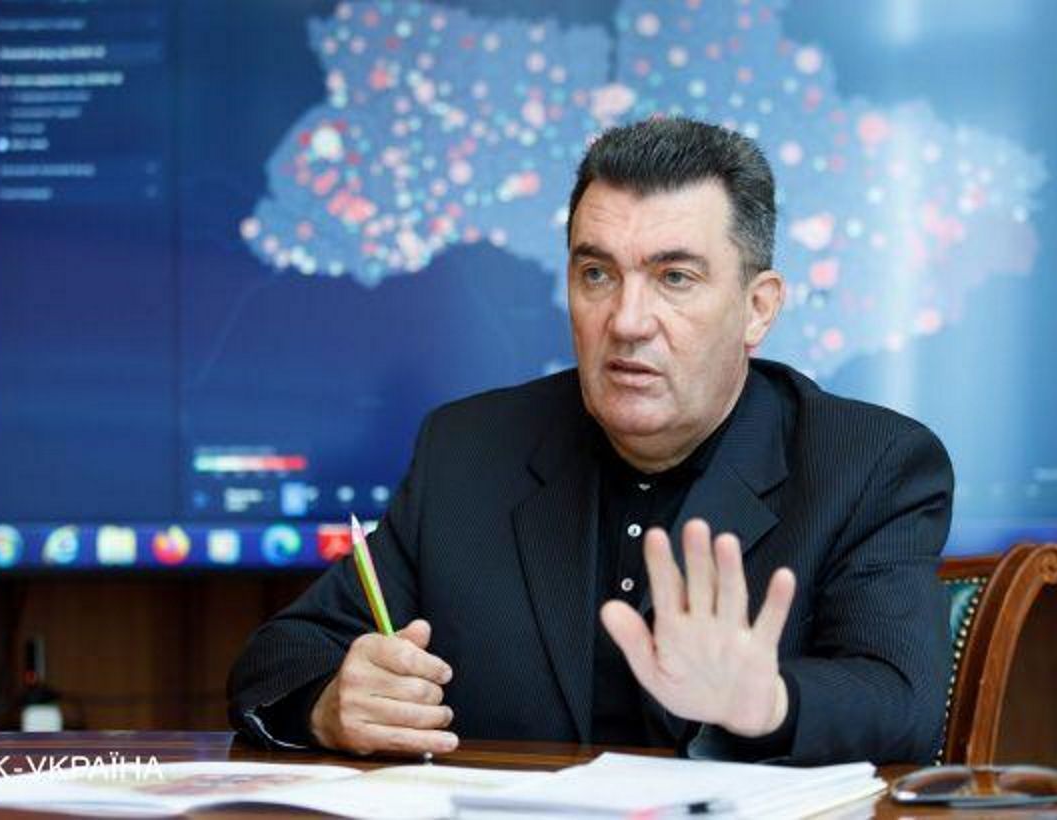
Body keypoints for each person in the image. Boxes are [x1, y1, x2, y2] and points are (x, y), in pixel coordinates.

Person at [227, 117, 954, 765]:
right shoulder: (469, 450)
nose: (627, 320)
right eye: (597, 273)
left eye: (675, 277)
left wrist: (768, 703)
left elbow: (901, 703)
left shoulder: (867, 463)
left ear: (757, 308)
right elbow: (282, 657)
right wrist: (331, 703)